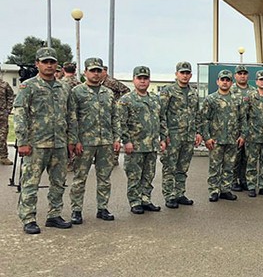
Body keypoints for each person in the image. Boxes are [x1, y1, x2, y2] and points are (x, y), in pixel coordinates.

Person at [13, 47, 76, 234]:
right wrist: (22, 141)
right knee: (30, 183)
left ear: (57, 65)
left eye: (52, 62)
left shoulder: (64, 87)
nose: (49, 65)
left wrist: (71, 140)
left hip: (59, 144)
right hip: (36, 144)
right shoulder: (29, 86)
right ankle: (28, 218)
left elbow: (71, 115)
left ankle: (54, 215)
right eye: (45, 61)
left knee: (58, 182)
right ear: (37, 64)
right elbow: (20, 113)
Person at [68, 57, 118, 224]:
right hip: (85, 142)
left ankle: (102, 208)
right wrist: (75, 140)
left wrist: (116, 138)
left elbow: (114, 117)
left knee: (104, 178)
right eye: (92, 71)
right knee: (80, 177)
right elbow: (72, 118)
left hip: (105, 142)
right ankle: (76, 210)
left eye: (99, 70)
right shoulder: (77, 92)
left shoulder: (108, 93)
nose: (96, 74)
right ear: (85, 72)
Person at [118, 66, 165, 214]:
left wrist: (163, 138)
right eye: (140, 78)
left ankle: (146, 199)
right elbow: (121, 122)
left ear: (149, 80)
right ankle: (135, 201)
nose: (143, 81)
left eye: (145, 78)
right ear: (134, 80)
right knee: (134, 175)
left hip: (151, 144)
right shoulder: (126, 100)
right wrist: (126, 141)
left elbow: (161, 120)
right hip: (135, 145)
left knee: (149, 174)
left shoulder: (155, 99)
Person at [159, 61, 201, 209]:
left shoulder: (193, 92)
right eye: (182, 73)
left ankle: (179, 193)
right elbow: (161, 114)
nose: (184, 76)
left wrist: (197, 132)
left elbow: (196, 114)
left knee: (183, 167)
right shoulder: (168, 91)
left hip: (188, 137)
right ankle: (169, 195)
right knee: (170, 167)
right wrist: (164, 135)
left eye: (187, 73)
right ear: (176, 74)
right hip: (173, 135)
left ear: (190, 75)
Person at [202, 70, 247, 202]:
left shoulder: (237, 99)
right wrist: (207, 137)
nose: (225, 82)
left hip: (232, 139)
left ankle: (225, 189)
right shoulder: (210, 99)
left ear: (231, 83)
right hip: (216, 139)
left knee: (229, 166)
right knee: (215, 167)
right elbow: (204, 119)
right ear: (218, 82)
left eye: (227, 80)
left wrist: (243, 135)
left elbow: (242, 119)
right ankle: (214, 190)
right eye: (222, 80)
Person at [230, 65, 253, 192]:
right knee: (235, 156)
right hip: (235, 128)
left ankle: (243, 179)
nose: (242, 75)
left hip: (249, 128)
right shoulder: (231, 90)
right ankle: (233, 181)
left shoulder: (253, 91)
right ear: (235, 76)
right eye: (240, 73)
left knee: (247, 156)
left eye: (244, 73)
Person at [0, 73, 15, 165]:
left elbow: (11, 97)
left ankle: (3, 156)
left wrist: (7, 110)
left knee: (2, 136)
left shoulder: (4, 85)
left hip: (2, 115)